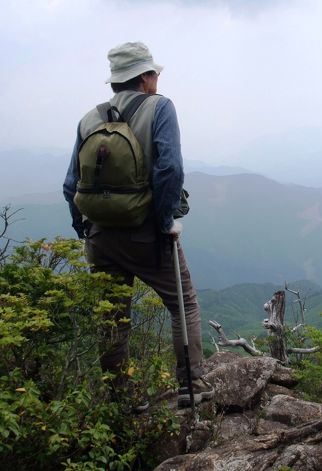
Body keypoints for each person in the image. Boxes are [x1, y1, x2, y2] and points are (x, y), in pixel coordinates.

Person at [63, 42, 212, 410]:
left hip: (100, 236)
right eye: (155, 73)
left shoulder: (89, 120)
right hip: (146, 234)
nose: (158, 79)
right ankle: (191, 386)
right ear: (144, 77)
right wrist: (164, 223)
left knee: (113, 316)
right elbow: (170, 170)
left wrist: (84, 228)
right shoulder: (160, 108)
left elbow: (71, 184)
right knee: (184, 304)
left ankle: (120, 399)